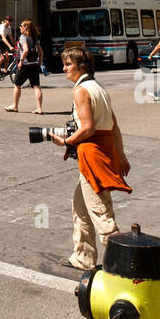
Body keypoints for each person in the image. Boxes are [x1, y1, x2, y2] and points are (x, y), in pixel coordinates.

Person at [44, 47, 132, 270]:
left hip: (92, 154)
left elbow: (88, 128)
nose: (64, 68)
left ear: (81, 66)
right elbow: (113, 127)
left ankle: (124, 266)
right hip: (102, 151)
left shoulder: (81, 90)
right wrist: (120, 155)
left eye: (68, 64)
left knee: (101, 214)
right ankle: (84, 256)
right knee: (80, 206)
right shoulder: (99, 89)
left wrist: (66, 141)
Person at [5, 19, 45, 114]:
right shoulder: (34, 37)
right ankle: (39, 108)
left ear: (26, 27)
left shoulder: (23, 37)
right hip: (34, 64)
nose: (20, 27)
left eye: (21, 25)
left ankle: (15, 106)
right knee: (36, 86)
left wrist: (21, 61)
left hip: (26, 65)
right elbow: (41, 51)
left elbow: (26, 50)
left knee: (17, 85)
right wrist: (40, 62)